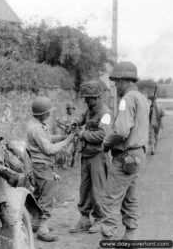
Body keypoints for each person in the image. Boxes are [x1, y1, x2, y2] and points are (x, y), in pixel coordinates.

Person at [100, 61, 149, 243]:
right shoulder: (142, 98)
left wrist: (106, 143)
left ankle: (107, 240)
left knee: (110, 199)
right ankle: (130, 236)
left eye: (115, 82)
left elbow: (121, 131)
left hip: (125, 156)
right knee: (130, 196)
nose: (115, 86)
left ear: (122, 81)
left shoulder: (127, 99)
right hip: (138, 155)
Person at [26, 96, 76, 242]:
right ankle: (42, 228)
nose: (49, 114)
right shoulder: (36, 129)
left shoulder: (38, 125)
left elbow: (47, 138)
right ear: (42, 113)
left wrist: (62, 137)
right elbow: (48, 149)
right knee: (47, 197)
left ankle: (35, 223)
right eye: (48, 112)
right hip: (43, 166)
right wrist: (67, 141)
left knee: (39, 195)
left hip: (40, 166)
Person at [69, 80, 112, 234]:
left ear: (97, 97)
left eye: (88, 98)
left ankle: (100, 219)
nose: (85, 101)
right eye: (85, 98)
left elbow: (102, 135)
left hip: (98, 156)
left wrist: (82, 134)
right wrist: (76, 122)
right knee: (85, 188)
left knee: (98, 189)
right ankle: (84, 219)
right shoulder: (90, 108)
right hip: (87, 155)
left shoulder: (105, 113)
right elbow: (83, 117)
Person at [55, 102, 78, 168]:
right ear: (67, 109)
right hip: (66, 135)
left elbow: (77, 125)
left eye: (72, 109)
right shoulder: (64, 117)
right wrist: (65, 128)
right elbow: (58, 124)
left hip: (74, 135)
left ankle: (70, 163)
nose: (71, 110)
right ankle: (63, 164)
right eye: (69, 109)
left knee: (72, 150)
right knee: (65, 150)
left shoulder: (75, 117)